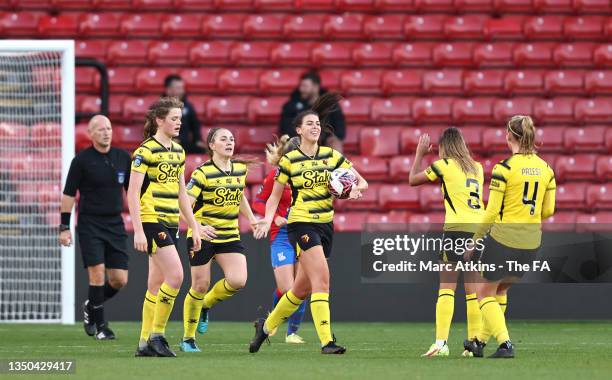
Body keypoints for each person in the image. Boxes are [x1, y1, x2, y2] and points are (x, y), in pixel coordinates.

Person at [249, 93, 368, 355]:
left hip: (326, 225)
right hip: (302, 224)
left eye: (318, 124)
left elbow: (362, 182)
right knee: (322, 280)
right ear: (299, 130)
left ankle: (265, 327)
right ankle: (327, 341)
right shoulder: (289, 161)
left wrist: (353, 190)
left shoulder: (332, 156)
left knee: (299, 290)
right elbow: (274, 198)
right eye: (310, 124)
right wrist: (267, 220)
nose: (315, 127)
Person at [465, 115, 556, 359]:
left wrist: (474, 239)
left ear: (509, 135)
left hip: (505, 238)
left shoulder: (503, 168)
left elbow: (492, 211)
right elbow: (548, 210)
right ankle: (480, 342)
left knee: (483, 292)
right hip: (532, 241)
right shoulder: (547, 169)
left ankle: (505, 344)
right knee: (501, 290)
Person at [127, 97, 202, 358]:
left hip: (172, 223)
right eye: (174, 118)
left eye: (180, 119)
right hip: (151, 219)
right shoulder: (144, 151)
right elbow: (132, 193)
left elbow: (182, 192)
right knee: (177, 276)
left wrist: (194, 225)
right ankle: (158, 335)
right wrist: (137, 229)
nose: (179, 123)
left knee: (155, 284)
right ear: (160, 120)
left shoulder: (179, 151)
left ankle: (143, 343)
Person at [179, 127, 263, 352]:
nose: (229, 142)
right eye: (223, 139)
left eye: (232, 139)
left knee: (238, 280)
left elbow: (240, 196)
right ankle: (188, 338)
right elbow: (183, 204)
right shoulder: (201, 173)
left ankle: (205, 305)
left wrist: (253, 219)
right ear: (211, 145)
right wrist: (196, 227)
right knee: (199, 285)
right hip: (202, 235)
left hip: (228, 234)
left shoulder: (239, 169)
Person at [408, 128, 485, 357]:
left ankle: (441, 343)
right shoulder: (477, 167)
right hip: (478, 230)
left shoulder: (444, 165)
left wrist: (420, 155)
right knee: (473, 292)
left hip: (456, 230)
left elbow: (413, 180)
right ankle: (473, 345)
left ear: (445, 147)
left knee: (446, 289)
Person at [60, 115, 130, 340]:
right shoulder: (81, 161)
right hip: (90, 224)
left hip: (115, 223)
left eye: (108, 128)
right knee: (97, 274)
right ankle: (101, 327)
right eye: (100, 129)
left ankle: (92, 305)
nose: (106, 132)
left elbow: (133, 191)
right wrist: (64, 226)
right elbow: (69, 194)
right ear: (90, 134)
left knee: (119, 279)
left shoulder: (122, 157)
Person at [251, 135, 307, 344]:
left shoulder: (310, 176)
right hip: (282, 234)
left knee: (303, 286)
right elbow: (258, 203)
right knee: (287, 288)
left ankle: (292, 332)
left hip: (303, 231)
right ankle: (271, 321)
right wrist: (274, 217)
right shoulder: (276, 176)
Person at [279, 71, 346, 152]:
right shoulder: (292, 105)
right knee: (292, 143)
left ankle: (336, 164)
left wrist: (326, 136)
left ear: (316, 87)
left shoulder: (330, 104)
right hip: (302, 141)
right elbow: (285, 127)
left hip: (325, 140)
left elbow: (340, 126)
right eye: (301, 86)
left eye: (305, 86)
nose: (301, 89)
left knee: (335, 142)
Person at [163, 74, 205, 154]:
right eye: (178, 88)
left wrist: (198, 140)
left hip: (184, 145)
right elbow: (153, 129)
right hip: (165, 146)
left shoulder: (188, 106)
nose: (181, 91)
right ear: (168, 90)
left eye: (182, 88)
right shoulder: (159, 108)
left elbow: (195, 125)